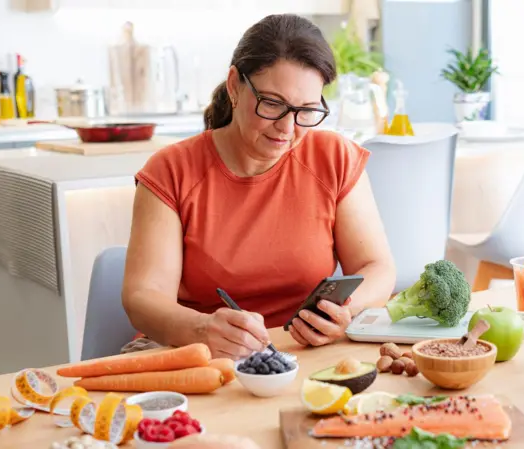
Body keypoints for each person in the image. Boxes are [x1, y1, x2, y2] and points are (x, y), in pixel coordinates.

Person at [121, 13, 396, 360]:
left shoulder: (334, 158)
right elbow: (143, 297)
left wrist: (345, 311)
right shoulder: (171, 170)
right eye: (272, 104)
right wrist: (202, 329)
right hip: (193, 353)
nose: (287, 127)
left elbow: (377, 267)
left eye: (306, 110)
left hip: (300, 352)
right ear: (235, 85)